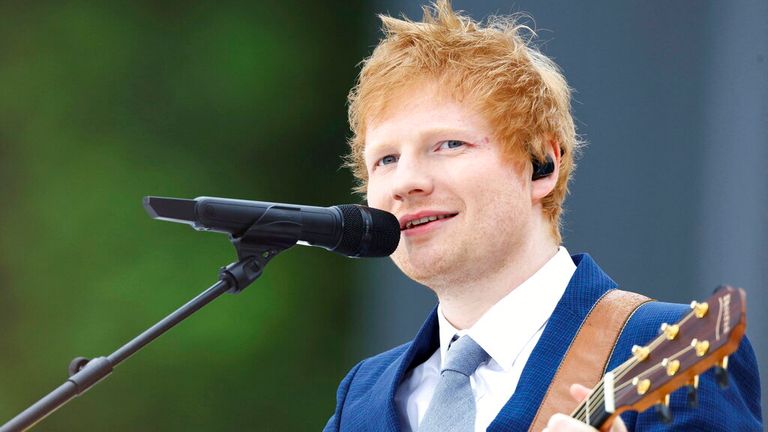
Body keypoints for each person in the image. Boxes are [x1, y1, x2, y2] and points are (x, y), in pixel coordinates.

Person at [324, 1, 763, 431]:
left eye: (448, 144)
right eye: (385, 159)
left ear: (541, 165)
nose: (405, 181)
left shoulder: (674, 350)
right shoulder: (363, 395)